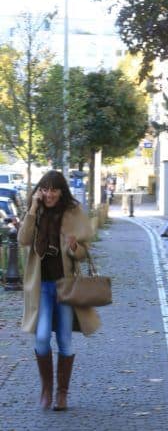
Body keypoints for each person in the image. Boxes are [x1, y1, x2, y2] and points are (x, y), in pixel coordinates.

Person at [17, 170, 100, 411]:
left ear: (61, 191)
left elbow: (84, 253)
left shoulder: (74, 213)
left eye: (54, 189)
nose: (49, 194)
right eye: (45, 189)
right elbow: (23, 240)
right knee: (42, 337)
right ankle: (46, 389)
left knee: (64, 339)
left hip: (65, 285)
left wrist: (75, 248)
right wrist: (32, 209)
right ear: (39, 191)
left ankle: (61, 394)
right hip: (41, 286)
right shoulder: (37, 212)